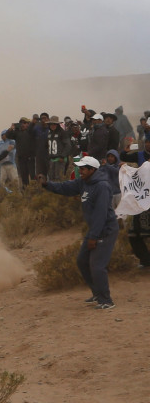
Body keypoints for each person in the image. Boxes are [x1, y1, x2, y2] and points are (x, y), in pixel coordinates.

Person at [37, 156, 117, 309]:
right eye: (79, 168)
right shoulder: (83, 182)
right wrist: (47, 184)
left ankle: (106, 301)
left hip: (106, 229)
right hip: (95, 228)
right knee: (82, 261)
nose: (80, 171)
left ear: (92, 170)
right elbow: (65, 187)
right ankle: (97, 293)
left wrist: (93, 237)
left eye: (83, 169)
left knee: (97, 265)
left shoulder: (102, 186)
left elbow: (101, 214)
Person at [119, 138, 150, 268]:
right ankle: (145, 260)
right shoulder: (141, 155)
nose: (149, 144)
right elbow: (124, 157)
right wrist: (124, 153)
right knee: (134, 233)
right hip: (142, 199)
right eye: (148, 142)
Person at [6, 117, 35, 186]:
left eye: (27, 123)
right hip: (21, 159)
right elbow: (8, 135)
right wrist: (11, 128)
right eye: (24, 123)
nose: (25, 125)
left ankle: (35, 191)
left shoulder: (31, 132)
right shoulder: (17, 132)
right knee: (24, 177)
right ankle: (26, 191)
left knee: (33, 176)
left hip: (31, 158)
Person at [46, 116, 70, 182]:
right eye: (51, 124)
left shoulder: (62, 133)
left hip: (60, 159)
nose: (52, 126)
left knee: (59, 178)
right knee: (51, 178)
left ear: (57, 124)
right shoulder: (49, 134)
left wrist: (62, 156)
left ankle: (59, 192)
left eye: (54, 124)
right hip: (51, 159)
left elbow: (68, 145)